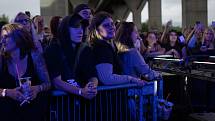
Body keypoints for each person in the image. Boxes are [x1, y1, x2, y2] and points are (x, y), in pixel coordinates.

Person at [0, 23, 50, 121]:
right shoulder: (1, 60)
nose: (2, 41)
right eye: (1, 38)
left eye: (5, 37)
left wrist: (37, 89)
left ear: (18, 37)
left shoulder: (34, 56)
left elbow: (48, 83)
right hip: (7, 114)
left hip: (32, 113)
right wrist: (7, 92)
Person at [44, 14, 98, 99]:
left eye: (81, 27)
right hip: (62, 104)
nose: (80, 31)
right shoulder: (53, 49)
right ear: (65, 29)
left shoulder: (85, 49)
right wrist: (80, 91)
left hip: (86, 105)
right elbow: (56, 82)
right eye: (76, 27)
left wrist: (92, 87)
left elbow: (92, 75)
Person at [89, 12, 146, 85]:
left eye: (112, 24)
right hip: (109, 94)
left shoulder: (108, 45)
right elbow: (107, 79)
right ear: (96, 29)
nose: (111, 27)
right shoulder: (102, 47)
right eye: (106, 25)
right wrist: (131, 79)